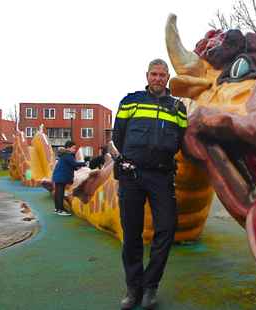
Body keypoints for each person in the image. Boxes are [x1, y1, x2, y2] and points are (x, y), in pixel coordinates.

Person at [112, 58, 187, 310]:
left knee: (166, 228)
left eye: (162, 75)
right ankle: (133, 289)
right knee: (131, 233)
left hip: (162, 176)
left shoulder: (177, 107)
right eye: (153, 74)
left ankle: (150, 287)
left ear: (167, 78)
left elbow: (183, 142)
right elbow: (118, 136)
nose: (157, 78)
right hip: (132, 175)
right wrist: (131, 158)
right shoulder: (130, 101)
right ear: (147, 76)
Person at [51, 141, 86, 216]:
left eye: (75, 148)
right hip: (61, 176)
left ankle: (57, 208)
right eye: (73, 148)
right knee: (60, 193)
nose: (75, 150)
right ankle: (60, 210)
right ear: (68, 148)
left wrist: (77, 167)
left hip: (58, 176)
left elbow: (72, 166)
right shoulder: (68, 155)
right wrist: (83, 163)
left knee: (58, 193)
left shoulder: (64, 155)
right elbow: (74, 164)